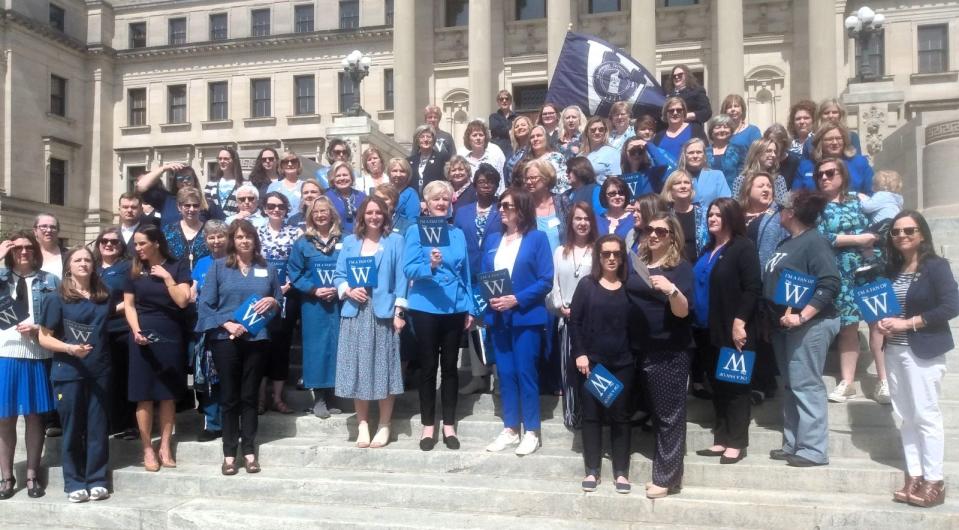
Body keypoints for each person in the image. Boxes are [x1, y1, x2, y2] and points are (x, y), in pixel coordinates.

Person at [880, 211, 959, 507]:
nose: (902, 236)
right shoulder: (892, 270)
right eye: (896, 232)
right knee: (906, 417)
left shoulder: (936, 267)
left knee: (926, 415)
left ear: (922, 233)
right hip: (896, 350)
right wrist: (884, 322)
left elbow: (952, 305)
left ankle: (934, 480)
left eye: (909, 230)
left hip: (923, 350)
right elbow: (889, 309)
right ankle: (914, 475)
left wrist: (909, 323)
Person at [196, 220, 282, 475]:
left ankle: (249, 451)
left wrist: (272, 301)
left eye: (249, 237)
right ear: (232, 240)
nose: (244, 241)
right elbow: (205, 305)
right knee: (230, 397)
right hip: (226, 340)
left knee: (249, 396)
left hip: (257, 339)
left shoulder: (268, 268)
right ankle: (229, 453)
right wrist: (227, 325)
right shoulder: (219, 268)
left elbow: (278, 300)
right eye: (239, 237)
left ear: (255, 240)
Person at [764, 190, 841, 467]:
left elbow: (829, 283)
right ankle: (793, 443)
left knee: (806, 384)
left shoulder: (814, 241)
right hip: (783, 327)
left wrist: (803, 317)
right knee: (791, 384)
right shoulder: (788, 242)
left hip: (810, 325)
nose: (778, 213)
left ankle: (813, 449)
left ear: (791, 212)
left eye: (781, 208)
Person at [37, 247, 113, 502]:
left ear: (94, 265)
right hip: (68, 372)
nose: (83, 263)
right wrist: (70, 348)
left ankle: (98, 479)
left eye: (87, 260)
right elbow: (44, 337)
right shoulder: (56, 298)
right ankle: (74, 482)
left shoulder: (104, 296)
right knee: (72, 428)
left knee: (98, 427)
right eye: (77, 260)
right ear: (68, 266)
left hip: (99, 371)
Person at [482, 188, 553, 456]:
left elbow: (546, 279)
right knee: (506, 374)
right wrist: (489, 299)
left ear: (521, 209)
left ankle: (532, 430)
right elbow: (486, 276)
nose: (501, 209)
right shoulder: (493, 239)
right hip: (499, 317)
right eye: (501, 205)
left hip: (525, 317)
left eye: (508, 206)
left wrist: (517, 299)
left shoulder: (537, 239)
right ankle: (511, 428)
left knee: (526, 372)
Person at [403, 181, 474, 451]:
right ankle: (428, 425)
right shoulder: (414, 231)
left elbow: (465, 271)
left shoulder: (457, 234)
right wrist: (429, 265)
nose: (441, 203)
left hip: (454, 307)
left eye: (445, 199)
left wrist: (469, 306)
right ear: (427, 203)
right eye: (436, 199)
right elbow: (408, 269)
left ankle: (449, 425)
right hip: (426, 306)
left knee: (451, 369)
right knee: (428, 367)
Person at [334, 196, 408, 449]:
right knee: (357, 369)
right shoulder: (350, 242)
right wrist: (347, 290)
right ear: (361, 216)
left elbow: (401, 278)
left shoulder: (395, 241)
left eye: (378, 212)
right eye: (369, 212)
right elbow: (339, 275)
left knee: (384, 369)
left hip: (383, 314)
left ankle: (385, 424)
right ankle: (363, 423)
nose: (374, 216)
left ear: (385, 216)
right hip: (355, 312)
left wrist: (399, 312)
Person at [692, 198, 761, 465]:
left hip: (734, 331)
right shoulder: (709, 248)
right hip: (706, 331)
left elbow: (753, 288)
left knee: (735, 387)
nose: (712, 218)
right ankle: (721, 439)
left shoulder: (743, 248)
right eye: (710, 214)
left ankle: (737, 442)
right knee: (718, 387)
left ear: (731, 217)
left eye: (718, 215)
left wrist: (740, 321)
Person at [813, 159, 888, 404]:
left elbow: (883, 220)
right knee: (848, 326)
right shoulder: (818, 206)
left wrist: (872, 238)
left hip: (870, 267)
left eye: (830, 173)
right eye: (820, 174)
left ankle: (884, 380)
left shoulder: (860, 199)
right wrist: (860, 239)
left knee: (880, 322)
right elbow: (824, 238)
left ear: (842, 175)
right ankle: (847, 382)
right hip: (841, 271)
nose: (824, 177)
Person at [570, 234, 640, 494]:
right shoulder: (587, 286)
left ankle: (621, 472)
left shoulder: (629, 286)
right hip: (592, 365)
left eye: (616, 253)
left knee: (621, 418)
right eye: (606, 253)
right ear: (598, 257)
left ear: (622, 257)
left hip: (623, 363)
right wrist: (580, 353)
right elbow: (574, 321)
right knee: (592, 417)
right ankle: (592, 470)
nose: (611, 258)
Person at [631, 213, 693, 498]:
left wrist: (671, 290)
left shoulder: (680, 268)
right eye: (649, 230)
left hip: (669, 350)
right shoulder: (638, 264)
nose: (653, 235)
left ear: (673, 236)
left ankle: (667, 478)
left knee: (669, 415)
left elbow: (683, 311)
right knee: (655, 414)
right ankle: (665, 471)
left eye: (661, 231)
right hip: (638, 348)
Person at [123, 225, 191, 472]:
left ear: (156, 243)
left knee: (167, 394)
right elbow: (129, 305)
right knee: (143, 395)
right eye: (136, 244)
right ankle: (147, 449)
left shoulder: (177, 265)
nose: (138, 248)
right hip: (141, 334)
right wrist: (136, 330)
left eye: (142, 243)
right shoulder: (132, 270)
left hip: (170, 334)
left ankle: (164, 445)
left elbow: (183, 301)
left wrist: (167, 278)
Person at [0, 231, 59, 499]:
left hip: (38, 353)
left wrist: (38, 327)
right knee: (5, 419)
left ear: (35, 251)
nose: (23, 252)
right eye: (17, 248)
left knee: (35, 417)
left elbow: (60, 315)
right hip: (5, 354)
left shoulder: (50, 280)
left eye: (28, 248)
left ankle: (32, 474)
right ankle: (6, 476)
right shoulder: (1, 279)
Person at [288, 198, 343, 419]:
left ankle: (331, 394)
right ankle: (318, 397)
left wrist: (340, 288)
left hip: (339, 301)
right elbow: (295, 273)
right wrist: (313, 290)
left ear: (332, 214)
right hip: (314, 304)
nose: (321, 215)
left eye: (325, 211)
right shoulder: (303, 243)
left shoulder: (345, 240)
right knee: (317, 348)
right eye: (316, 212)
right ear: (311, 216)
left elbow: (352, 266)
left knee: (337, 346)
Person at [739, 172, 788, 404]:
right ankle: (746, 382)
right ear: (748, 190)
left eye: (769, 185)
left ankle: (763, 383)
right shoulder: (737, 215)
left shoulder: (778, 216)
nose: (767, 189)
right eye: (760, 185)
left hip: (766, 283)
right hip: (741, 283)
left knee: (763, 335)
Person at [452, 164, 501, 395]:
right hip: (470, 275)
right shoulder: (462, 211)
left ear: (496, 185)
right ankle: (479, 377)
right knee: (474, 324)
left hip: (496, 274)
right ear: (475, 184)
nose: (486, 185)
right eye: (482, 181)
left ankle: (500, 377)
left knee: (497, 323)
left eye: (490, 181)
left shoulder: (503, 208)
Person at [550, 202, 598, 428]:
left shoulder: (599, 250)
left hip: (593, 319)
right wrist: (561, 307)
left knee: (593, 369)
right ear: (570, 222)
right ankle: (572, 416)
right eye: (578, 218)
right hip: (568, 318)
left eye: (586, 218)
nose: (582, 223)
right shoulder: (561, 251)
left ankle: (595, 416)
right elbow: (554, 285)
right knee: (569, 369)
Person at [256, 192, 302, 414]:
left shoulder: (295, 232)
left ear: (286, 209)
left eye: (281, 206)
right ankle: (260, 398)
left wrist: (287, 286)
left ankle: (278, 397)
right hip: (261, 294)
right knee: (261, 343)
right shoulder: (256, 232)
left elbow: (300, 263)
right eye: (271, 206)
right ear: (264, 208)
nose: (276, 209)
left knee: (282, 345)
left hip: (287, 293)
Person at [92, 228, 137, 441]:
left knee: (123, 377)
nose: (109, 244)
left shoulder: (128, 267)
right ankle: (108, 422)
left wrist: (108, 311)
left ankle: (128, 423)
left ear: (122, 246)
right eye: (104, 240)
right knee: (101, 378)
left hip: (120, 328)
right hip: (95, 331)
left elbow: (132, 298)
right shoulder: (92, 267)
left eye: (115, 242)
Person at [191, 220, 228, 442]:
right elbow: (192, 292)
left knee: (230, 379)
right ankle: (213, 424)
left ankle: (232, 422)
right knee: (209, 380)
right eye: (211, 237)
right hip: (206, 330)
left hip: (231, 328)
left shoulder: (235, 262)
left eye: (220, 236)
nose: (216, 241)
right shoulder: (202, 263)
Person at [795, 123, 873, 194]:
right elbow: (795, 196)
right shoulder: (805, 166)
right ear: (820, 142)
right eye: (829, 139)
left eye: (839, 138)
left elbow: (871, 193)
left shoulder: (859, 163)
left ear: (845, 140)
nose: (835, 142)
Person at [138, 163, 226, 225]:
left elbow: (222, 225)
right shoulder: (166, 200)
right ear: (175, 182)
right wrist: (163, 168)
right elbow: (141, 186)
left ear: (194, 181)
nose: (185, 181)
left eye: (188, 178)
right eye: (180, 178)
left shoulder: (206, 204)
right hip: (169, 250)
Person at [661, 170, 707, 262]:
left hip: (699, 267)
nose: (683, 186)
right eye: (677, 183)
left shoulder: (704, 214)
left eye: (686, 182)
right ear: (670, 189)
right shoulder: (664, 216)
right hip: (672, 267)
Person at [524, 159, 568, 253]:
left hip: (561, 262)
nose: (528, 182)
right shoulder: (525, 206)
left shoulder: (562, 203)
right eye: (527, 178)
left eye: (533, 178)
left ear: (546, 178)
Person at [676, 138, 732, 211]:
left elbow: (726, 203)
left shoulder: (717, 175)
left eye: (699, 152)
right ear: (684, 155)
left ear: (704, 155)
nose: (695, 156)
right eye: (691, 153)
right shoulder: (677, 177)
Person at [162, 187, 210, 271]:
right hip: (176, 281)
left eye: (195, 205)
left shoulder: (209, 230)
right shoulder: (168, 231)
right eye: (187, 205)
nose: (191, 209)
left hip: (204, 280)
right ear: (179, 207)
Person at [732, 138, 789, 204]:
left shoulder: (778, 180)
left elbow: (784, 205)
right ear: (756, 154)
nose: (773, 155)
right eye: (768, 151)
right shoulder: (741, 180)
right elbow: (735, 206)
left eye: (775, 152)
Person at [653, 97, 708, 162]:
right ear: (666, 113)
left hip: (689, 172)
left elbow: (706, 153)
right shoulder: (659, 136)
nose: (675, 113)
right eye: (671, 110)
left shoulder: (695, 129)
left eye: (679, 110)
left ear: (684, 112)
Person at [621, 134, 676, 199]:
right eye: (632, 151)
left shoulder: (651, 173)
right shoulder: (621, 177)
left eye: (640, 151)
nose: (636, 154)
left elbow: (663, 165)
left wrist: (647, 144)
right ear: (625, 153)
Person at [705, 114, 748, 189]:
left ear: (731, 131)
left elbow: (743, 175)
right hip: (709, 194)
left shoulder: (739, 150)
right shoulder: (704, 152)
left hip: (732, 195)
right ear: (711, 131)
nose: (722, 130)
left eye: (726, 127)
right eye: (718, 127)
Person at [324, 161, 367, 235]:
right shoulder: (327, 197)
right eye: (338, 176)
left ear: (351, 177)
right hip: (335, 239)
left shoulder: (362, 196)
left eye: (345, 175)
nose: (342, 178)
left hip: (360, 238)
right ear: (332, 179)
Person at [525, 125, 569, 194]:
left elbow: (563, 184)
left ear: (546, 138)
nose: (535, 139)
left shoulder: (556, 157)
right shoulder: (527, 161)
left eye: (539, 135)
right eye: (532, 137)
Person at [202, 147, 245, 217]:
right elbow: (207, 207)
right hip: (215, 225)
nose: (222, 161)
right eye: (220, 159)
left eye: (226, 159)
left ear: (234, 161)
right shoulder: (210, 185)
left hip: (235, 225)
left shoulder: (244, 185)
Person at [409, 125, 451, 195]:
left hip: (436, 198)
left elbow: (448, 180)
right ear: (417, 140)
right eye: (422, 137)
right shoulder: (410, 161)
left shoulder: (443, 158)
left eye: (428, 137)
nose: (425, 140)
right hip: (415, 199)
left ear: (433, 140)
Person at [388, 157, 422, 235]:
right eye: (394, 171)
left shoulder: (411, 194)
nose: (398, 174)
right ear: (389, 173)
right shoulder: (386, 191)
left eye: (402, 171)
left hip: (401, 236)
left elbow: (412, 222)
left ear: (408, 174)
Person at [582, 116, 621, 183]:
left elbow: (615, 180)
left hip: (601, 191)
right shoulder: (580, 156)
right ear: (587, 133)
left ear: (605, 132)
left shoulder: (612, 153)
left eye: (601, 129)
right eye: (593, 130)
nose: (597, 132)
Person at [763, 123, 802, 190]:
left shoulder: (794, 161)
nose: (773, 145)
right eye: (769, 142)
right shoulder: (763, 159)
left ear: (784, 143)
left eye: (776, 142)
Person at [266, 152, 307, 216]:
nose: (290, 164)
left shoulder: (306, 186)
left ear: (298, 164)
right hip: (279, 224)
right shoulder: (273, 187)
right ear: (281, 165)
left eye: (293, 161)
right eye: (285, 162)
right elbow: (268, 208)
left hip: (301, 224)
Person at [34, 213, 64, 279]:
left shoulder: (68, 255)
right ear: (35, 231)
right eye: (44, 226)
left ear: (58, 231)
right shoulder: (28, 253)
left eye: (53, 227)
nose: (49, 230)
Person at [489, 89, 517, 160]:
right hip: (497, 151)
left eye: (507, 99)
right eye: (501, 99)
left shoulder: (516, 118)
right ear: (498, 102)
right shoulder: (493, 117)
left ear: (510, 101)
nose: (504, 101)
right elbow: (496, 128)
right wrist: (510, 130)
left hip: (512, 151)